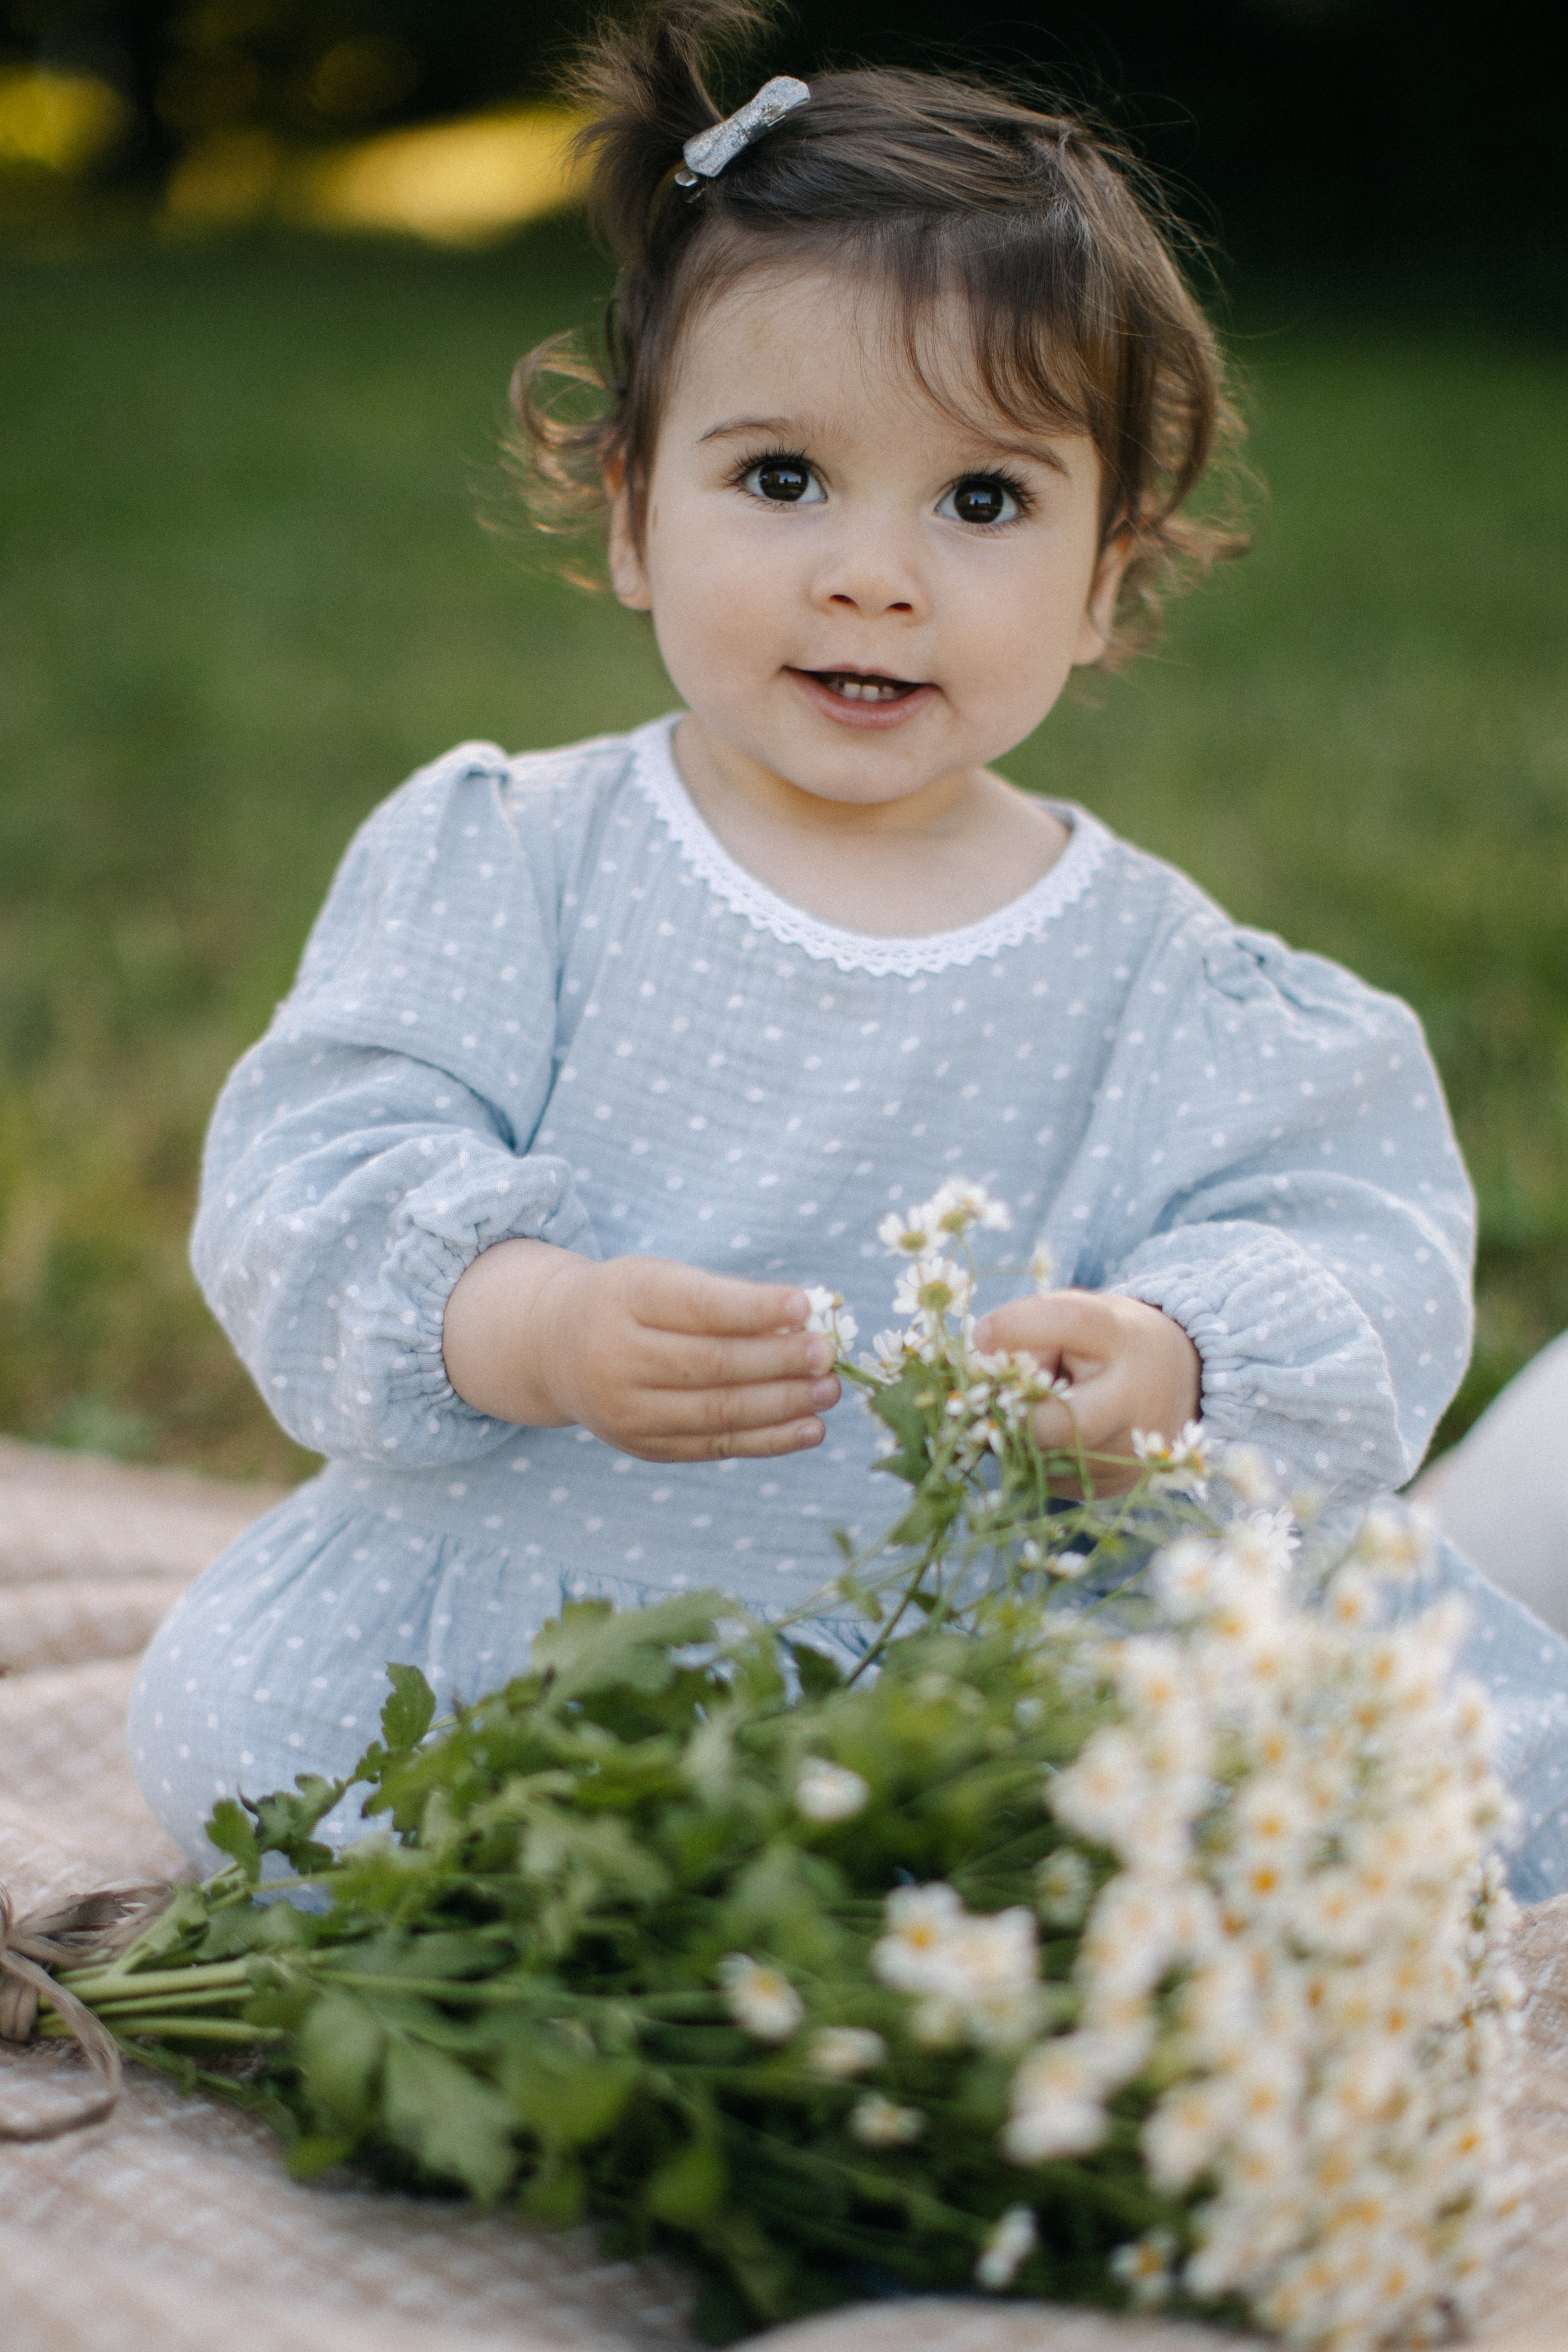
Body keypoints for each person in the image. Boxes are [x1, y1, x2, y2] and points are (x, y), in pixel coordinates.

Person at [131, 0, 1566, 1888]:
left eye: (983, 500)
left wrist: (1174, 1361)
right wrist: (538, 1325)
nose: (873, 572)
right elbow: (314, 1180)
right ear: (634, 511)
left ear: (1107, 577)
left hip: (985, 1673)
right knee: (302, 1781)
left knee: (1299, 1800)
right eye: (783, 478)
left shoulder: (1167, 985)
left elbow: (1347, 1239)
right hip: (539, 1639)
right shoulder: (516, 861)